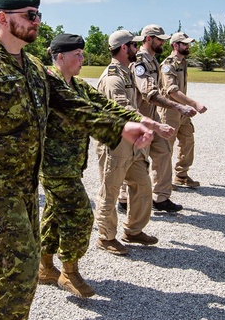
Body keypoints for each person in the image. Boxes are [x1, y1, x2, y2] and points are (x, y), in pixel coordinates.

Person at [0, 0, 156, 320]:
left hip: (24, 188)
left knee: (21, 271)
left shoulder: (30, 67)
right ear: (1, 17)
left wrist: (120, 127)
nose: (36, 20)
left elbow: (68, 100)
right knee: (17, 270)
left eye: (37, 14)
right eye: (29, 14)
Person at [39, 33, 146, 296]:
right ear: (60, 56)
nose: (82, 59)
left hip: (71, 165)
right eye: (78, 54)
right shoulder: (49, 83)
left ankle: (43, 267)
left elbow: (106, 105)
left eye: (82, 54)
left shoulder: (77, 85)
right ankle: (69, 271)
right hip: (53, 166)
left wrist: (144, 121)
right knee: (79, 214)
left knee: (54, 214)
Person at [93, 30, 169, 256]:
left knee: (143, 185)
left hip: (132, 143)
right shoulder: (113, 77)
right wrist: (155, 126)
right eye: (134, 45)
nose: (137, 49)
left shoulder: (127, 73)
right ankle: (106, 237)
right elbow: (125, 110)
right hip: (115, 142)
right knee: (110, 190)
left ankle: (133, 230)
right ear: (124, 48)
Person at [131, 24, 196, 214]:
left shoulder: (152, 60)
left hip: (154, 116)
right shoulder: (140, 61)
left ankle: (160, 197)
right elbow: (149, 93)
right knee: (134, 160)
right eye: (159, 39)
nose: (163, 42)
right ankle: (125, 198)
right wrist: (177, 105)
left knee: (163, 151)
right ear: (148, 39)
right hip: (140, 118)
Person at [157, 31, 208, 190]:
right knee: (166, 147)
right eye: (184, 43)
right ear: (175, 45)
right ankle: (162, 182)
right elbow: (172, 91)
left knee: (187, 141)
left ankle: (181, 176)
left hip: (183, 112)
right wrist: (195, 104)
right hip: (170, 111)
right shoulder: (168, 65)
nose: (188, 46)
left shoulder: (183, 62)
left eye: (188, 43)